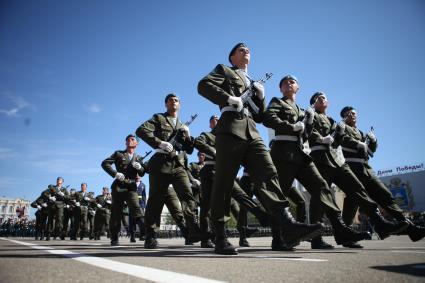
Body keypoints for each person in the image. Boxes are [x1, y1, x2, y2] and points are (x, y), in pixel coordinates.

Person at [198, 43, 323, 255]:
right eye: (240, 49)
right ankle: (220, 235)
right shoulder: (224, 70)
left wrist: (261, 98)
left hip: (252, 132)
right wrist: (228, 98)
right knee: (225, 182)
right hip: (230, 129)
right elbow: (203, 85)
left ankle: (288, 225)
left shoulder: (252, 81)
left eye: (248, 49)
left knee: (268, 173)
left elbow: (260, 116)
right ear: (232, 57)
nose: (246, 50)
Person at [263, 75, 371, 248]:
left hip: (302, 155)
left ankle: (339, 229)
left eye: (292, 82)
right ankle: (279, 239)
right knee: (280, 195)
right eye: (285, 83)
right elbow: (268, 117)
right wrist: (291, 126)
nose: (289, 83)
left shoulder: (302, 110)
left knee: (322, 187)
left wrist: (309, 122)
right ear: (281, 89)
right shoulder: (278, 101)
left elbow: (305, 136)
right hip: (283, 153)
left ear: (298, 88)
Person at [307, 92, 407, 248]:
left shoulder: (333, 121)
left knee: (357, 188)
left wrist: (339, 133)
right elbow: (308, 130)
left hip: (337, 160)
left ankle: (379, 222)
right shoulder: (310, 113)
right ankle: (316, 238)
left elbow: (337, 142)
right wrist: (320, 138)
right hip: (320, 158)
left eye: (324, 97)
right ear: (313, 103)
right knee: (320, 198)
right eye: (318, 98)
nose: (322, 99)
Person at [339, 106, 425, 242]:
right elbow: (342, 139)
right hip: (352, 168)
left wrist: (373, 141)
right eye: (348, 113)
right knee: (353, 202)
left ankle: (410, 228)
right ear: (343, 117)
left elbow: (370, 153)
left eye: (354, 113)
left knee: (386, 196)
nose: (352, 115)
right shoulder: (342, 127)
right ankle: (346, 234)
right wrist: (358, 143)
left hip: (366, 169)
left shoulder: (361, 133)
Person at [136, 93, 201, 249]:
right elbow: (141, 130)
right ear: (166, 104)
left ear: (180, 104)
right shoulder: (159, 118)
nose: (174, 102)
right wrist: (160, 143)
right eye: (171, 100)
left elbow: (190, 150)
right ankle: (150, 235)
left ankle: (194, 230)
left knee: (187, 196)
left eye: (177, 100)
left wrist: (189, 135)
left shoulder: (182, 125)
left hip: (178, 166)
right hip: (160, 164)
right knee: (155, 201)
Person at [194, 115, 269, 249]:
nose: (217, 122)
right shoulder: (207, 135)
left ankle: (263, 216)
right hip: (210, 171)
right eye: (214, 120)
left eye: (219, 120)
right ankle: (206, 238)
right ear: (210, 124)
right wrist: (214, 151)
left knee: (241, 195)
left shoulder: (228, 137)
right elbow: (198, 142)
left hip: (225, 171)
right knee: (206, 207)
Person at [101, 134, 147, 246]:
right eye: (128, 140)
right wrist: (115, 174)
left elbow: (143, 172)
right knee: (116, 213)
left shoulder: (138, 158)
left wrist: (140, 167)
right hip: (118, 187)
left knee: (137, 208)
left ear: (136, 143)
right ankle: (114, 236)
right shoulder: (118, 153)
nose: (130, 141)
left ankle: (145, 232)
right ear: (125, 143)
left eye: (133, 139)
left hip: (131, 187)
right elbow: (105, 163)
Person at [128, 175, 147, 242]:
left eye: (138, 175)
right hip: (132, 204)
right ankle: (132, 237)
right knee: (132, 221)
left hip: (140, 205)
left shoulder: (143, 185)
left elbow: (144, 196)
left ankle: (142, 236)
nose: (137, 177)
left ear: (140, 177)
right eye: (136, 175)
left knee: (142, 221)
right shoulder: (131, 183)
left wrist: (144, 206)